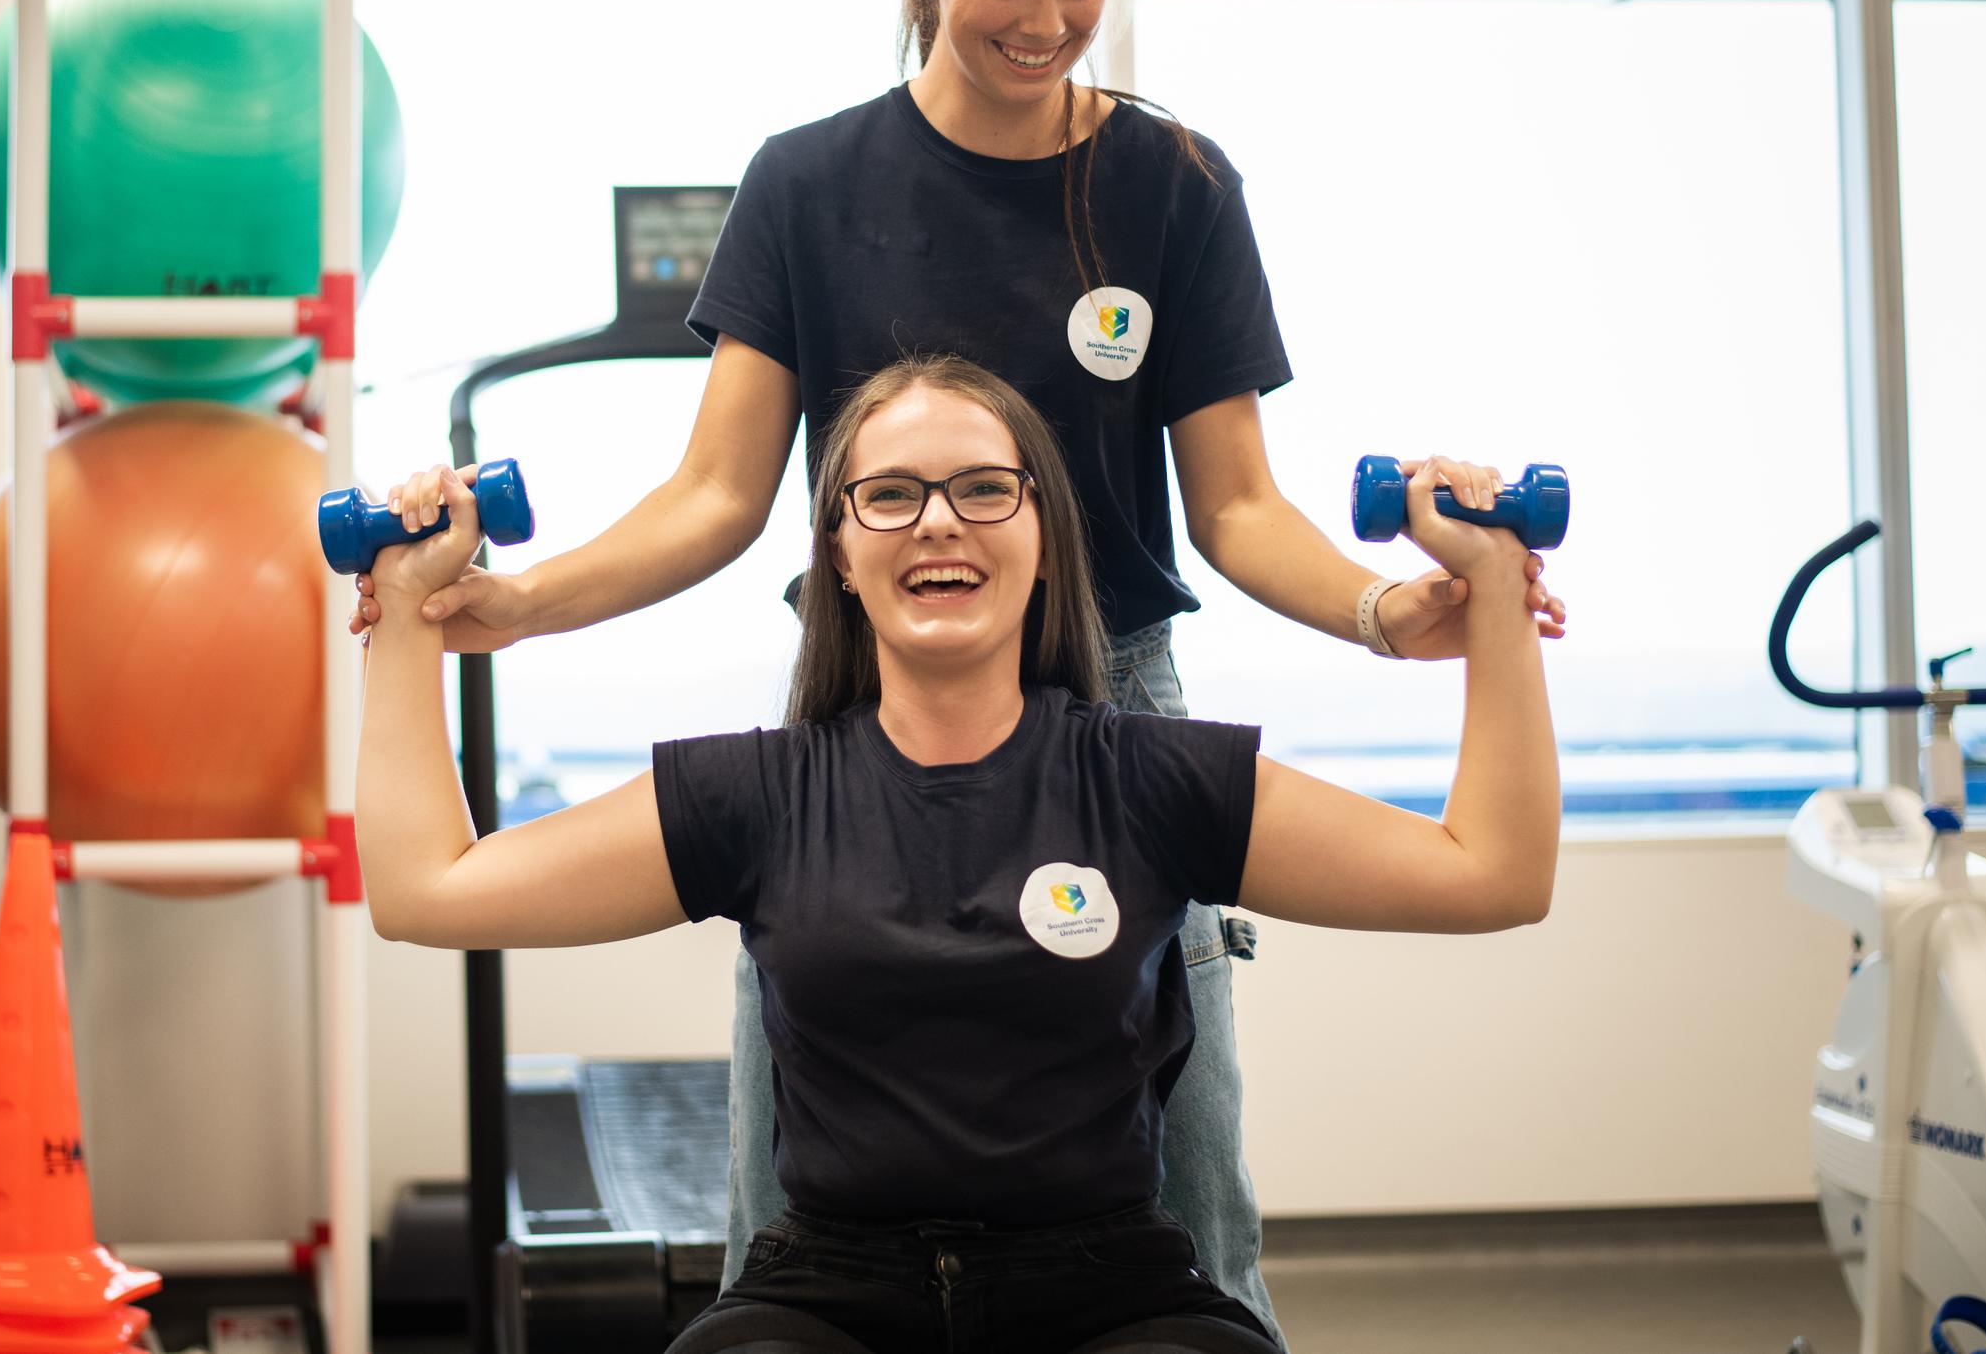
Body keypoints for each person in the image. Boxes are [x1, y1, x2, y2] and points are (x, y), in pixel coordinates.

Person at [350, 0, 1566, 1343]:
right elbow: (717, 495)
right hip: (865, 709)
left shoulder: (1171, 184)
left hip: (1113, 706)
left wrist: (1392, 609)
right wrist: (506, 604)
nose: (1046, 20)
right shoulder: (808, 182)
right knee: (786, 1216)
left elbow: (1239, 509)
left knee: (1186, 1201)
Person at [356, 357, 1558, 1354]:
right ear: (835, 548)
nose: (938, 518)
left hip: (1111, 1293)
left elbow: (1490, 872)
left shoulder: (1153, 777)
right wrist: (407, 608)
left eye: (986, 488)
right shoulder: (758, 792)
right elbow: (427, 890)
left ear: (1044, 535)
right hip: (827, 1294)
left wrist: (1495, 589)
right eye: (890, 494)